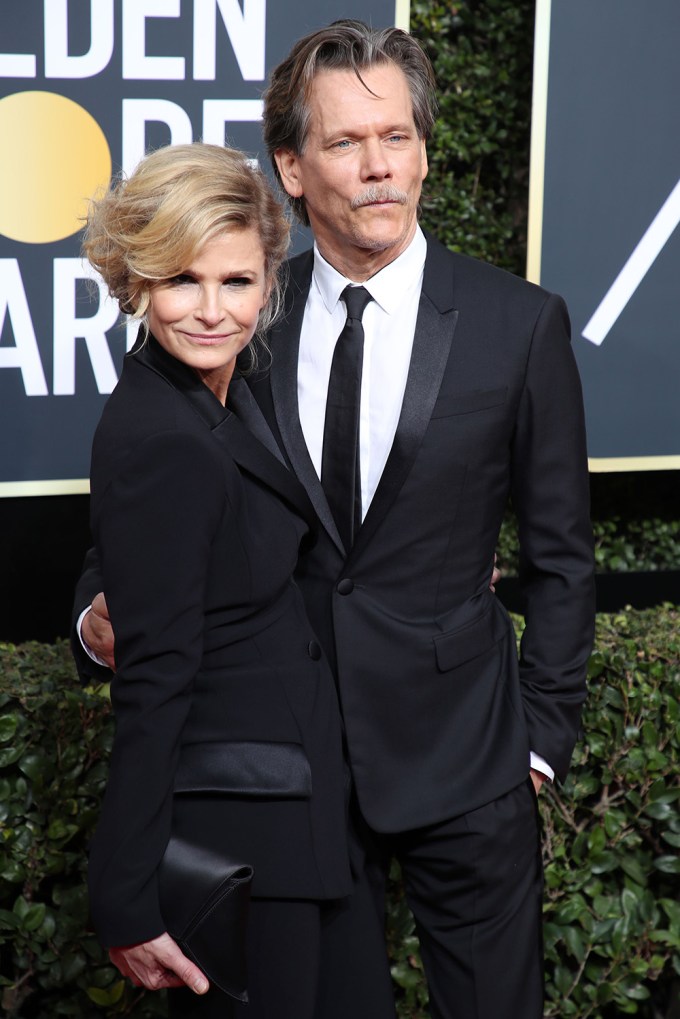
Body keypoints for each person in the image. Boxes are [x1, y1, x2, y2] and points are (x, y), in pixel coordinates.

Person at [75, 21, 596, 1019]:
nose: (377, 168)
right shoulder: (238, 312)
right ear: (291, 165)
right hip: (293, 772)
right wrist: (101, 613)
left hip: (465, 759)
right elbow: (147, 521)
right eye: (345, 143)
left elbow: (562, 557)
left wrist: (536, 742)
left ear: (423, 150)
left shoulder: (516, 324)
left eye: (395, 137)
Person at [77, 141, 379, 1019]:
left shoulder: (229, 388)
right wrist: (125, 896)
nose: (213, 311)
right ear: (136, 282)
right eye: (182, 281)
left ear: (266, 282)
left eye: (238, 283)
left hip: (313, 815)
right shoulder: (162, 437)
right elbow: (156, 678)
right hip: (245, 838)